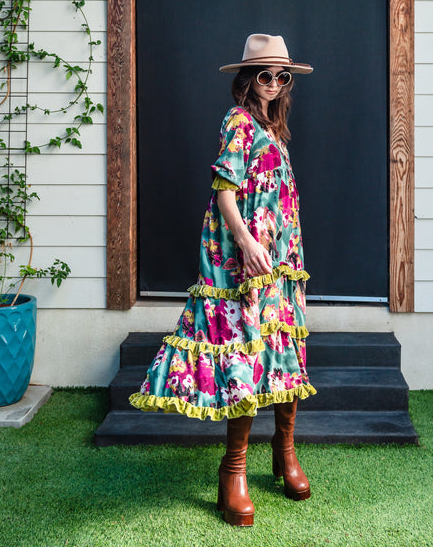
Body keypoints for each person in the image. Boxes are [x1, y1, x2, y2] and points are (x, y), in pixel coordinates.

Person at [130, 33, 316, 527]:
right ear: (247, 79)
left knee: (282, 349)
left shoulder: (272, 128)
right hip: (244, 261)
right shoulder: (237, 122)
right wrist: (248, 243)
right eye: (265, 75)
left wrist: (284, 253)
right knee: (246, 355)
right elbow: (226, 195)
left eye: (282, 76)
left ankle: (285, 451)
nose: (274, 83)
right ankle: (233, 469)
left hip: (281, 260)